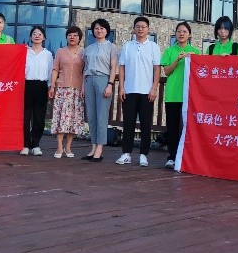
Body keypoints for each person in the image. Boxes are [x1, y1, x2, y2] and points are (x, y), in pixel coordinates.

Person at [116, 16, 161, 167]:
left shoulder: (154, 46)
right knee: (128, 123)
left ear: (148, 29)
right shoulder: (127, 46)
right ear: (134, 29)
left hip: (147, 91)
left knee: (145, 124)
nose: (140, 29)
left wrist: (154, 88)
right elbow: (121, 67)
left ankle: (143, 155)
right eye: (138, 26)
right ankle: (126, 153)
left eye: (143, 26)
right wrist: (121, 87)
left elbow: (157, 69)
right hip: (129, 90)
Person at [161, 22, 201, 168]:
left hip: (190, 96)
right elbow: (166, 72)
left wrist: (192, 59)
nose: (181, 33)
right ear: (175, 34)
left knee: (190, 127)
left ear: (189, 34)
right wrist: (177, 60)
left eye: (184, 31)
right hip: (172, 94)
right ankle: (172, 157)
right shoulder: (169, 51)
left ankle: (188, 157)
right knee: (172, 127)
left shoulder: (195, 51)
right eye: (179, 31)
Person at [82, 18, 119, 162]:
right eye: (96, 28)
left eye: (102, 28)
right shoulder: (88, 48)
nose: (99, 30)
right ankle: (93, 146)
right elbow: (84, 68)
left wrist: (110, 84)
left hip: (103, 80)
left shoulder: (112, 47)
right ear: (93, 31)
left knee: (101, 115)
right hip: (89, 80)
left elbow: (114, 67)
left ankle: (100, 148)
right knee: (91, 116)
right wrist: (83, 87)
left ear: (106, 31)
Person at [49, 26, 86, 158]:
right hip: (62, 89)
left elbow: (85, 72)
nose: (72, 37)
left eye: (75, 35)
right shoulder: (60, 51)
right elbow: (55, 69)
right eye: (70, 35)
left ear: (79, 38)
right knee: (60, 117)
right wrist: (52, 86)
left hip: (77, 89)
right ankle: (59, 147)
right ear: (66, 37)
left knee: (73, 119)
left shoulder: (83, 52)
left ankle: (68, 147)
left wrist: (83, 88)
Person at [21, 26, 53, 157]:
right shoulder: (24, 52)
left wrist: (51, 87)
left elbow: (51, 72)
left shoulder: (48, 54)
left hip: (41, 86)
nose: (37, 36)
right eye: (34, 34)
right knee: (25, 117)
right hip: (26, 85)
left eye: (40, 34)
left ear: (44, 38)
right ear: (30, 37)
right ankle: (25, 145)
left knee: (39, 117)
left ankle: (36, 144)